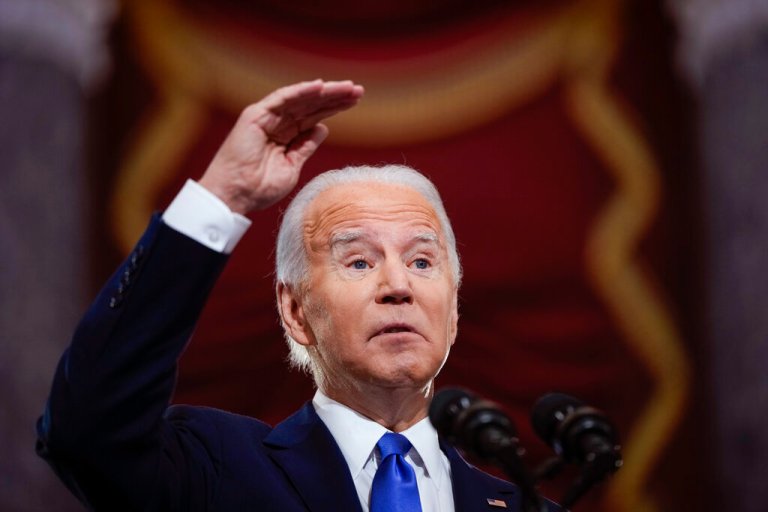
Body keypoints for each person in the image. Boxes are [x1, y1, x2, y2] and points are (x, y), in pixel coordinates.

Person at [37, 80, 559, 511]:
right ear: (295, 311)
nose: (398, 286)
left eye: (422, 261)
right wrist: (226, 194)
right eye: (359, 261)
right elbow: (88, 430)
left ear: (453, 313)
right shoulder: (217, 471)